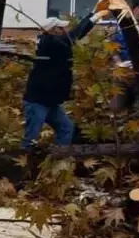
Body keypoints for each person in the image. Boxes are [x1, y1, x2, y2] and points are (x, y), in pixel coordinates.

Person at [21, 12, 101, 149]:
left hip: (51, 100)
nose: (64, 30)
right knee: (31, 137)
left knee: (66, 128)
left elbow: (71, 36)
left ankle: (59, 156)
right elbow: (73, 36)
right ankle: (23, 159)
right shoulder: (49, 43)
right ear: (52, 30)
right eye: (60, 28)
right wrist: (93, 19)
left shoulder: (53, 41)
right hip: (37, 101)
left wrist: (92, 13)